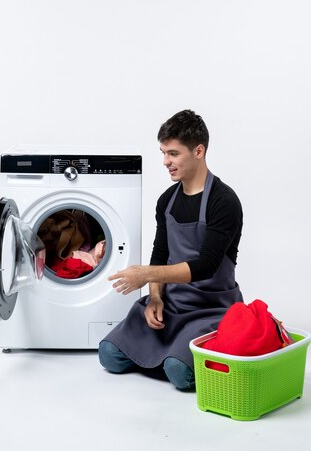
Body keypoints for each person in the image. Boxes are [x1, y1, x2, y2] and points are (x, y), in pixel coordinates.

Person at [98, 109, 243, 391]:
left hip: (211, 310)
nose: (166, 162)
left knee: (179, 373)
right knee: (109, 355)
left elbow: (206, 266)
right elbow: (160, 254)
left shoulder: (224, 201)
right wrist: (154, 297)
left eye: (173, 154)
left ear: (199, 150)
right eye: (163, 153)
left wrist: (144, 274)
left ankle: (175, 358)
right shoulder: (167, 200)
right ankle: (170, 355)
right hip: (172, 306)